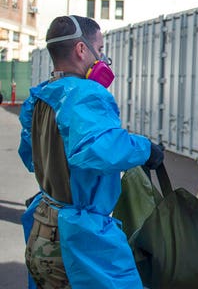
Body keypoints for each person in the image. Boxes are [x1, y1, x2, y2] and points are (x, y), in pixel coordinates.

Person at [18, 15, 165, 289]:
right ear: (81, 49)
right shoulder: (86, 93)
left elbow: (30, 157)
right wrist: (146, 149)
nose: (103, 59)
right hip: (76, 240)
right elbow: (100, 150)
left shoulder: (40, 97)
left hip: (43, 228)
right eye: (100, 49)